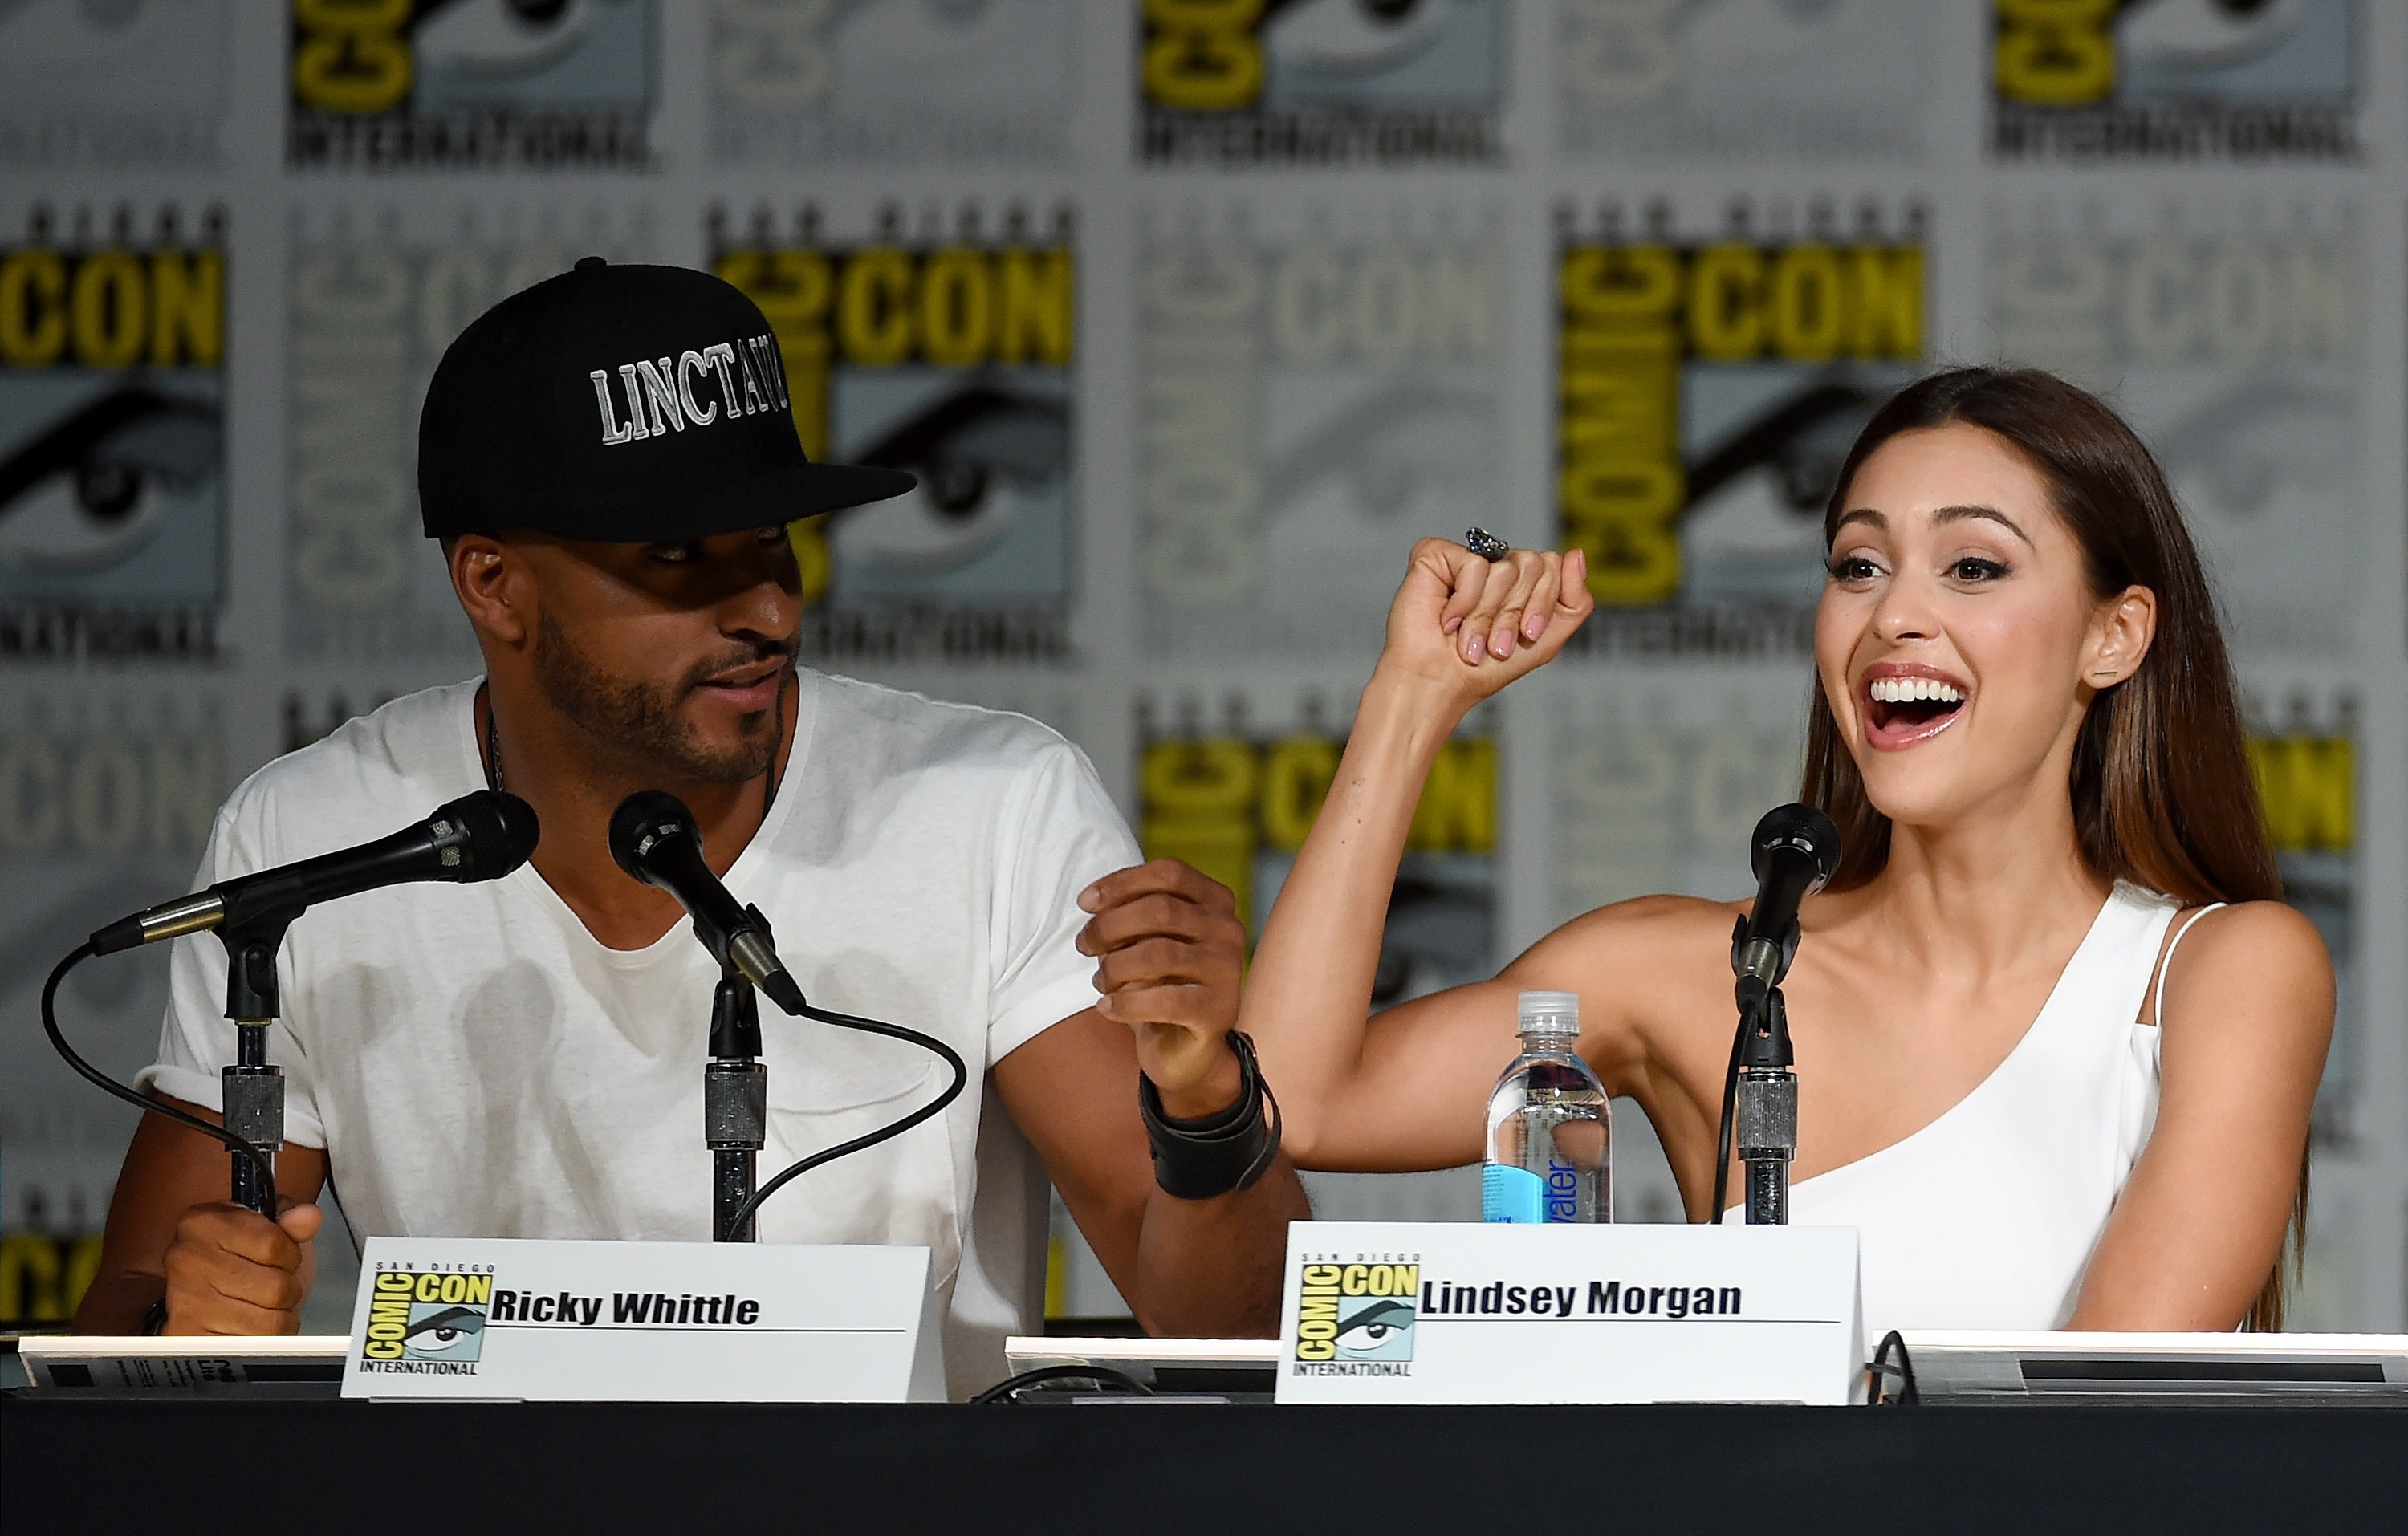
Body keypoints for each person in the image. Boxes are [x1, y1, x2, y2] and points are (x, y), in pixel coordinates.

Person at [71, 260, 1308, 1392]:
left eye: (774, 543)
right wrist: (187, 1316)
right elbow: (120, 1330)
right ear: (495, 583)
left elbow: (1237, 1333)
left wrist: (1206, 1103)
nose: (767, 608)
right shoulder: (314, 840)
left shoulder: (991, 806)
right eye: (677, 557)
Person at [1244, 367, 2332, 1335]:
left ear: (2114, 635)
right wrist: (1413, 695)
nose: (1895, 614)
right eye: (1859, 565)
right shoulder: (1686, 971)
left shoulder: (2220, 971)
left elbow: (2096, 1425)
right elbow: (1298, 1095)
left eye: (1973, 566)